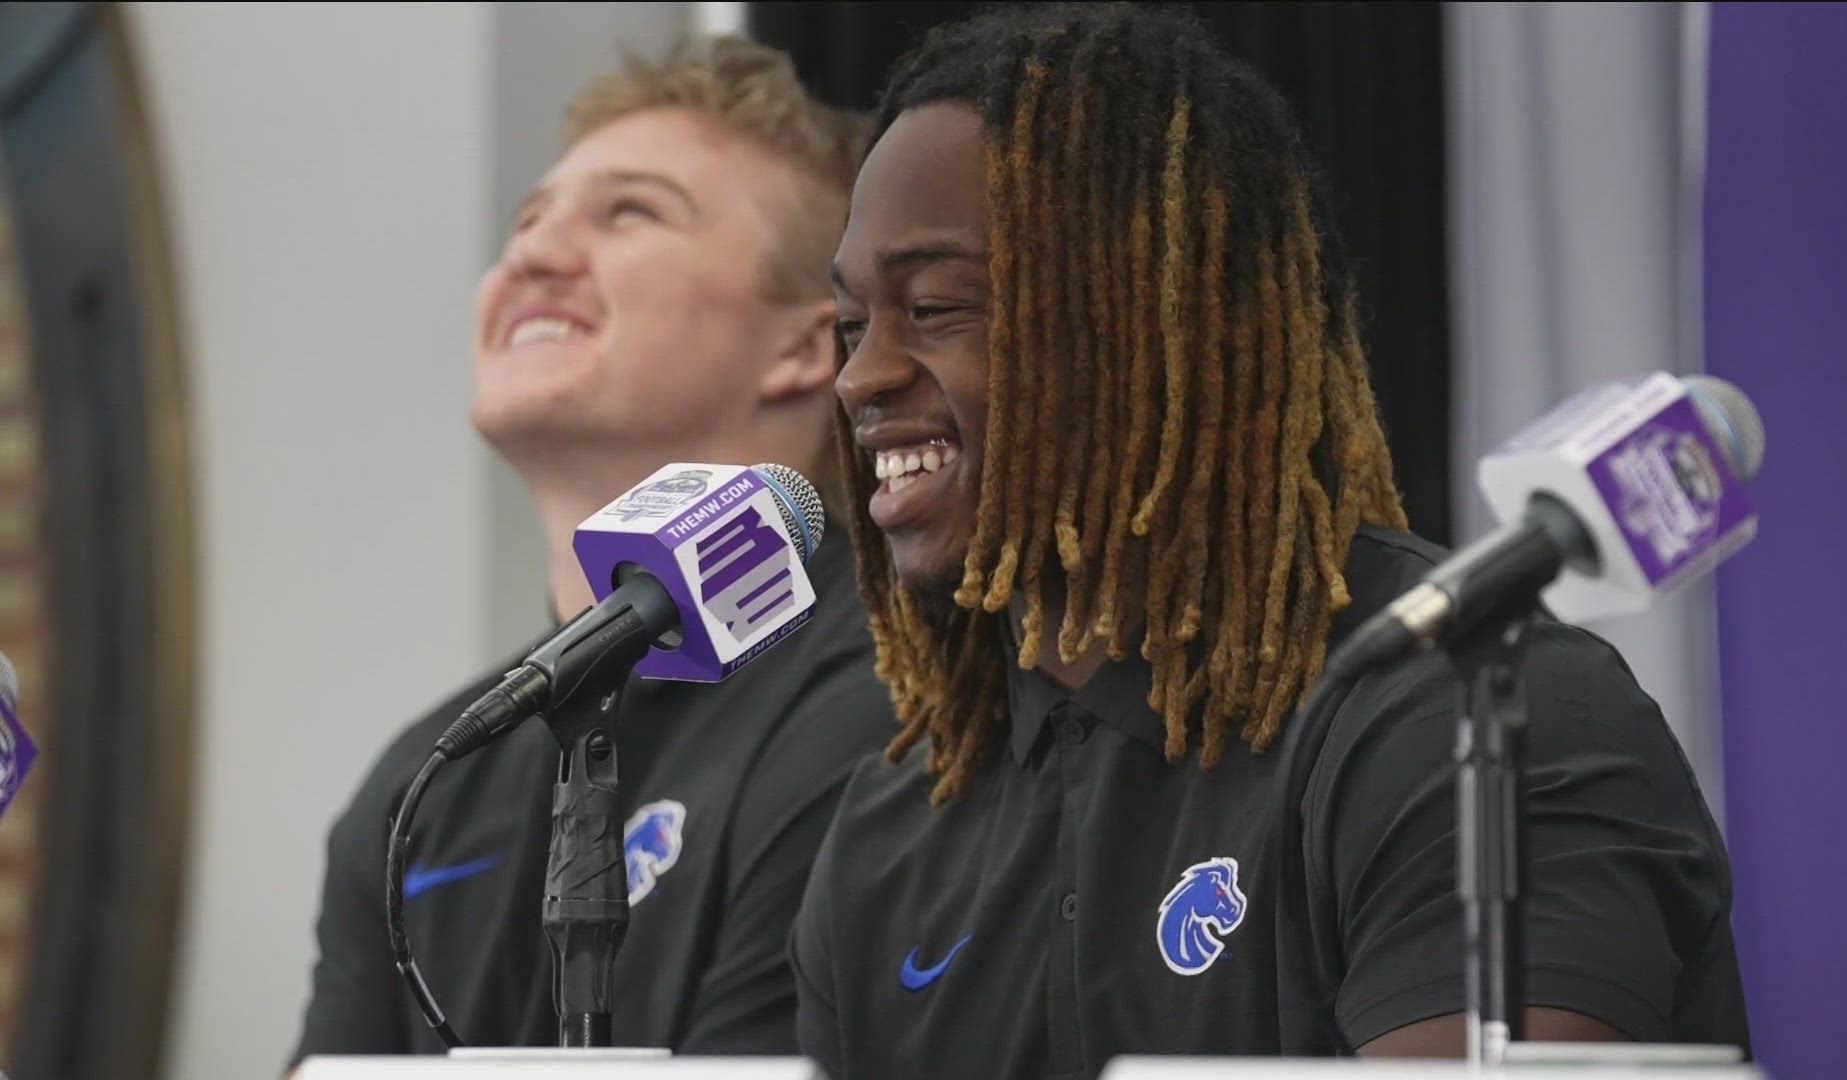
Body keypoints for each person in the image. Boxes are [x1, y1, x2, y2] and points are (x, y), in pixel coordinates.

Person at [792, 5, 1748, 1077]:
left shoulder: (1468, 714)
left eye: (936, 308)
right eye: (850, 325)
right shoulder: (890, 825)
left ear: (1153, 323)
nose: (860, 377)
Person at [291, 37, 894, 1061]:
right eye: (526, 222)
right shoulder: (421, 784)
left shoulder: (895, 693)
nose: (528, 255)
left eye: (631, 213)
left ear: (805, 345)